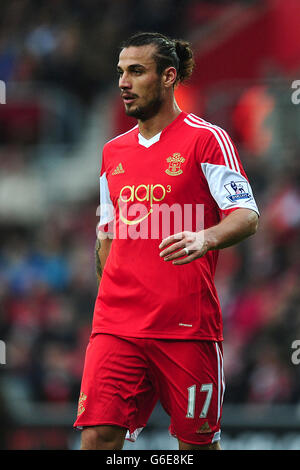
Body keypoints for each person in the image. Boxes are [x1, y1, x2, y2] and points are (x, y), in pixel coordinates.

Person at [74, 32, 259, 450]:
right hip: (116, 326)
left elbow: (247, 215)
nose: (124, 81)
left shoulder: (207, 139)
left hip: (185, 327)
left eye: (136, 71)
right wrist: (109, 296)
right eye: (121, 72)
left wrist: (205, 237)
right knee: (98, 438)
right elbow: (107, 233)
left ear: (168, 76)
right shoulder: (112, 152)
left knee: (196, 447)